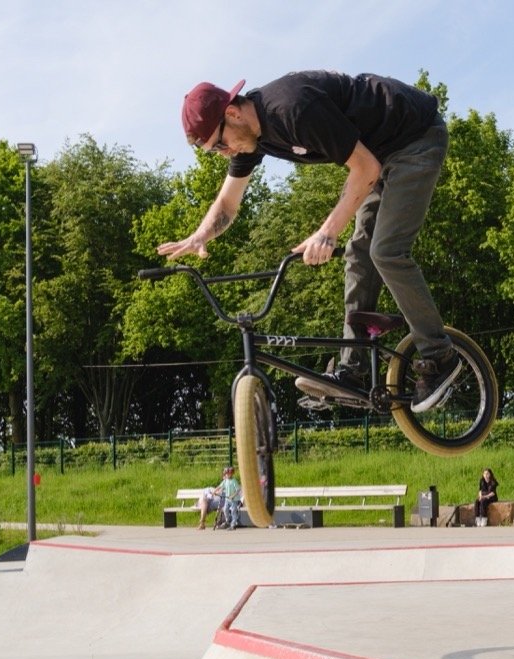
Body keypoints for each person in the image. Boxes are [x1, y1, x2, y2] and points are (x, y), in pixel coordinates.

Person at [158, 72, 461, 414]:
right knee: (358, 256)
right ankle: (352, 372)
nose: (224, 153)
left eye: (219, 144)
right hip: (379, 155)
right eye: (215, 151)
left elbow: (365, 169)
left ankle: (439, 355)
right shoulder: (249, 137)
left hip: (415, 138)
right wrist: (201, 234)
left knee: (386, 251)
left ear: (233, 113)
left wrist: (327, 232)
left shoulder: (293, 110)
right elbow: (228, 203)